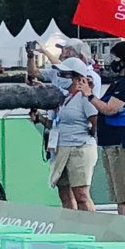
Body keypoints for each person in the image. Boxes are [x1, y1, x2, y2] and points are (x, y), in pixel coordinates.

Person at [42, 58, 100, 210]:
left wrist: (89, 134)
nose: (60, 77)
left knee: (81, 194)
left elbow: (95, 121)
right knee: (64, 193)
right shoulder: (64, 98)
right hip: (62, 148)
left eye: (64, 74)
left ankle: (89, 227)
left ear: (77, 77)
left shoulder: (85, 98)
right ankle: (71, 226)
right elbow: (55, 124)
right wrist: (39, 119)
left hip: (80, 148)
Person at [95, 40, 125, 217]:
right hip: (110, 142)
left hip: (123, 142)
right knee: (118, 192)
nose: (112, 60)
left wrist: (89, 95)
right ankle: (122, 222)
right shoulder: (118, 82)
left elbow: (110, 109)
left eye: (115, 57)